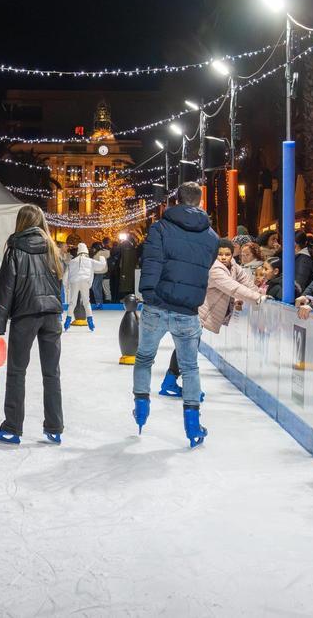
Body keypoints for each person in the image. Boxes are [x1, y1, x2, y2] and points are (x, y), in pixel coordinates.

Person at [130, 182, 219, 447]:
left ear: (177, 199)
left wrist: (150, 295)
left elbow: (151, 263)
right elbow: (203, 268)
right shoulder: (212, 237)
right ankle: (192, 426)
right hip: (188, 311)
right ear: (200, 202)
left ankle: (141, 409)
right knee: (190, 367)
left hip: (157, 307)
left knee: (145, 358)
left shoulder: (160, 228)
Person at [0, 205, 66, 445]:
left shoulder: (15, 248)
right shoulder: (52, 248)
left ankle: (12, 427)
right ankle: (54, 427)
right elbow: (58, 283)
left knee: (16, 371)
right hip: (51, 315)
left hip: (25, 315)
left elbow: (5, 288)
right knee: (51, 372)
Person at [161, 238, 264, 397]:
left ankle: (171, 381)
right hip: (193, 311)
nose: (223, 257)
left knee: (188, 348)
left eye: (227, 254)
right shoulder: (215, 269)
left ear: (232, 255)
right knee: (188, 349)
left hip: (197, 313)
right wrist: (256, 298)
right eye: (220, 254)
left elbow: (245, 281)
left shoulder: (233, 266)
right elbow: (233, 288)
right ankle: (179, 385)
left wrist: (260, 293)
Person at [63, 242, 108, 331]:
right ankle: (90, 323)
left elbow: (67, 274)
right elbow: (101, 266)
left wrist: (66, 285)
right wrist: (102, 258)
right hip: (85, 281)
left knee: (72, 302)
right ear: (86, 251)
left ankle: (67, 322)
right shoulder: (90, 261)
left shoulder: (72, 261)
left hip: (74, 282)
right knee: (86, 302)